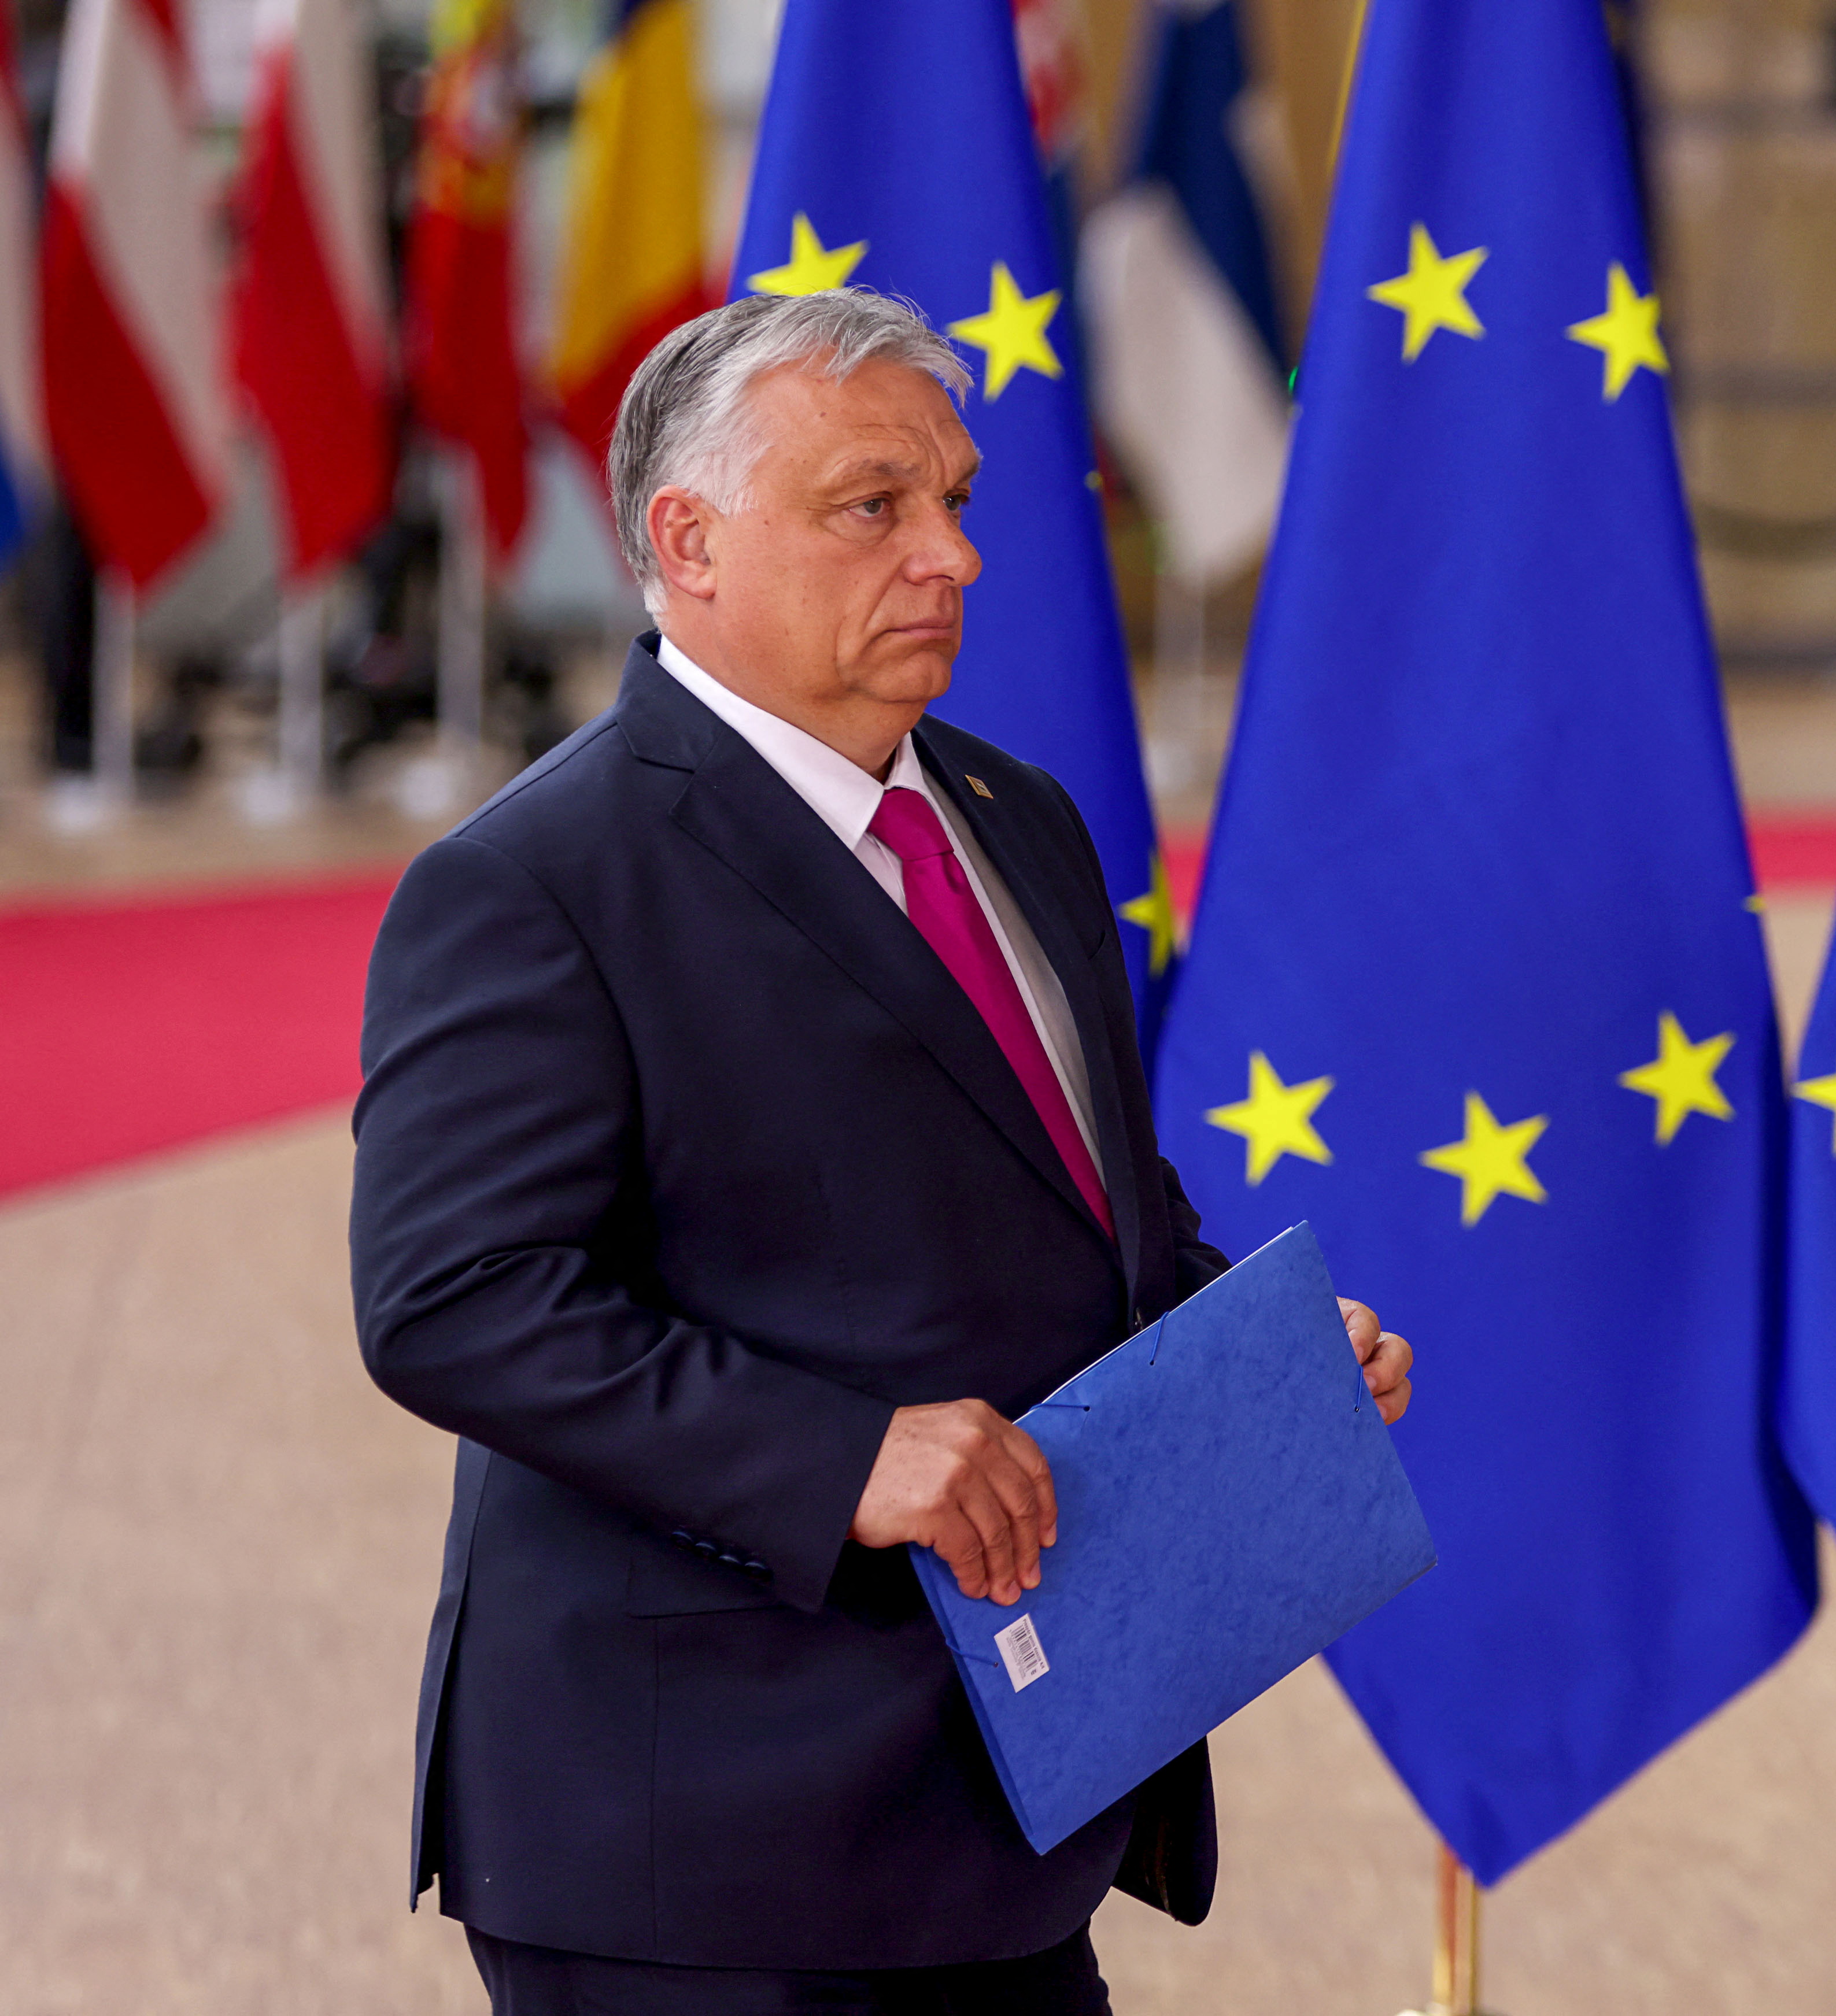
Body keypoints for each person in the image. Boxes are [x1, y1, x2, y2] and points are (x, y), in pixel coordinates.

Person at [350, 287, 1414, 2014]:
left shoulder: (1019, 821)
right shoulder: (538, 885)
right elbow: (454, 1301)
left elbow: (1086, 1209)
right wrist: (842, 1456)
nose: (953, 558)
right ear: (687, 542)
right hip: (695, 1843)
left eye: (958, 500)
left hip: (1008, 1798)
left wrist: (1259, 1358)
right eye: (875, 507)